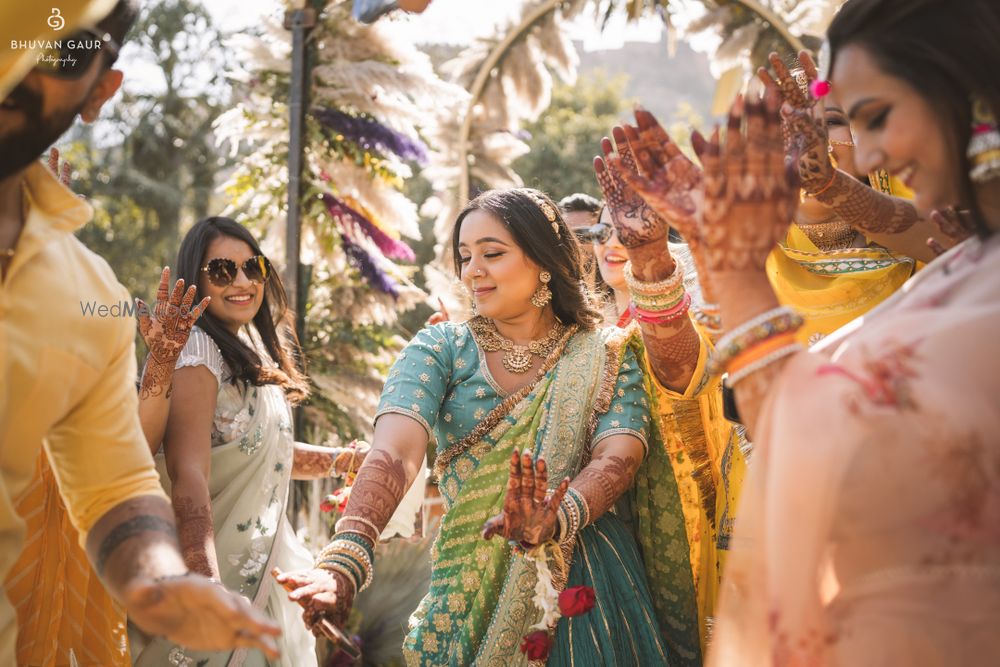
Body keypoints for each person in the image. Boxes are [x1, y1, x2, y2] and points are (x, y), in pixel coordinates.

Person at [683, 1, 1000, 663]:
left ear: (968, 88)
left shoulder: (965, 273)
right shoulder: (966, 266)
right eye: (851, 120)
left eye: (875, 117)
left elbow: (822, 434)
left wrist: (738, 271)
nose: (874, 150)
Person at [279, 188, 680, 665]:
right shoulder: (440, 349)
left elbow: (619, 457)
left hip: (586, 589)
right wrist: (346, 559)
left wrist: (557, 518)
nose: (472, 270)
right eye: (465, 257)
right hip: (470, 582)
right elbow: (394, 453)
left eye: (492, 253)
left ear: (544, 260)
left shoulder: (607, 353)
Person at [0, 1, 281, 662]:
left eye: (61, 48)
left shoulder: (86, 291)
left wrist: (160, 581)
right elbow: (181, 470)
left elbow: (115, 481)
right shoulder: (196, 351)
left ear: (100, 89)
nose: (16, 61)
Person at [132, 217, 366, 667]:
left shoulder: (247, 347)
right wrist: (205, 580)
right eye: (221, 271)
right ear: (195, 281)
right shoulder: (196, 349)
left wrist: (345, 460)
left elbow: (261, 452)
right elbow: (190, 469)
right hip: (215, 568)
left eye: (252, 267)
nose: (242, 281)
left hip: (261, 569)